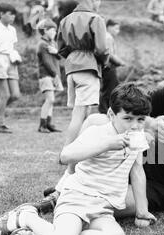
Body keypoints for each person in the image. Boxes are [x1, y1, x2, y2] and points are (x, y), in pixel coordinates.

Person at [9, 45, 164, 224]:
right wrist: (150, 123)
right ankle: (63, 186)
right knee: (95, 120)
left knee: (104, 205)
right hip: (131, 167)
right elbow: (125, 110)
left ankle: (55, 202)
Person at [0, 84, 157, 235]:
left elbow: (137, 171)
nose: (135, 125)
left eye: (140, 119)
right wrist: (107, 145)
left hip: (103, 209)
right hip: (76, 201)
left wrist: (142, 212)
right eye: (128, 118)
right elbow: (64, 156)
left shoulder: (137, 139)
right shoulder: (98, 133)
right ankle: (27, 216)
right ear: (111, 115)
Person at [56, 0, 109, 193]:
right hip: (88, 66)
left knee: (78, 114)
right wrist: (103, 61)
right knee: (86, 116)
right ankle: (72, 156)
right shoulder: (96, 18)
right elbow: (102, 49)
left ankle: (70, 153)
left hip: (71, 68)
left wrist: (73, 57)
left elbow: (60, 47)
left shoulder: (65, 20)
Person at [0, 3, 21, 134]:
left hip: (11, 60)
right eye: (10, 14)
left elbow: (12, 47)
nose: (13, 17)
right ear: (1, 14)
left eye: (14, 14)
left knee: (15, 95)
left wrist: (16, 57)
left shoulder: (12, 30)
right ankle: (0, 123)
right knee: (5, 95)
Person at [36, 18, 63, 133]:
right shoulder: (42, 44)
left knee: (51, 100)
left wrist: (56, 52)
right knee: (50, 99)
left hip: (54, 75)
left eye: (55, 31)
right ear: (45, 30)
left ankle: (49, 124)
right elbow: (46, 62)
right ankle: (42, 125)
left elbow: (59, 57)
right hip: (47, 75)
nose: (54, 33)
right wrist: (55, 75)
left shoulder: (52, 43)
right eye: (52, 30)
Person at [99, 19, 125, 114]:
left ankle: (107, 109)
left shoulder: (105, 36)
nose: (117, 31)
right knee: (110, 89)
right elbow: (110, 54)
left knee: (111, 87)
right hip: (109, 67)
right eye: (116, 28)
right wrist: (120, 62)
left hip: (106, 66)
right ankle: (105, 110)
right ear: (109, 27)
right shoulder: (108, 37)